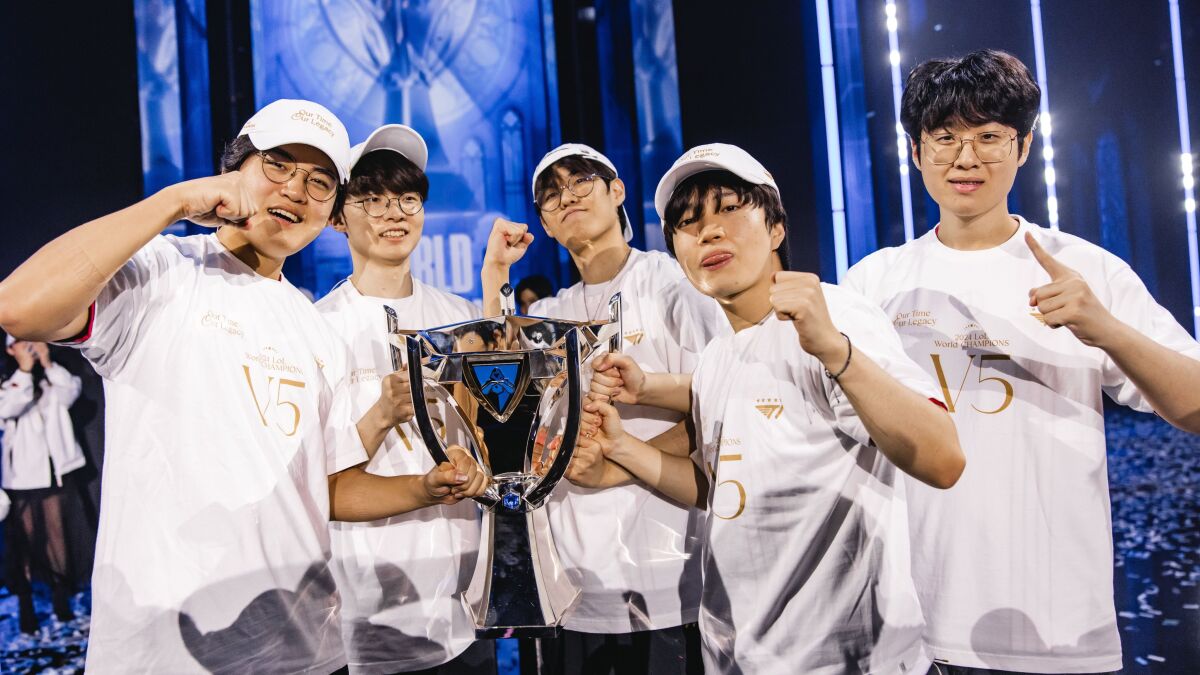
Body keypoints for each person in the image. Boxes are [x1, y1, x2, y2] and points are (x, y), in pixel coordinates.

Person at [0, 99, 485, 673]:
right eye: (278, 165)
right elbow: (19, 307)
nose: (296, 190)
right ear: (234, 170)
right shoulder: (164, 272)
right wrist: (173, 202)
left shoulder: (312, 327)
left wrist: (425, 488)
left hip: (309, 650)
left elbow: (328, 487)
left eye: (319, 181)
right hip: (169, 653)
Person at [841, 49, 1200, 674]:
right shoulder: (874, 282)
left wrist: (1106, 329)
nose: (966, 158)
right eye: (944, 138)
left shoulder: (1084, 269)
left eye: (989, 137)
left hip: (1057, 629)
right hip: (910, 627)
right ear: (916, 151)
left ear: (1024, 145)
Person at [587, 143, 965, 673]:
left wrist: (835, 350)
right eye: (688, 223)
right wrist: (623, 445)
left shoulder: (834, 316)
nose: (708, 231)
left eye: (729, 208)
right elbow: (721, 492)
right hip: (737, 656)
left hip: (842, 660)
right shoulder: (719, 356)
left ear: (776, 229)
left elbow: (942, 459)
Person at [480, 143, 727, 673]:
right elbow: (497, 390)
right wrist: (495, 270)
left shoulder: (673, 286)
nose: (567, 196)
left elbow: (719, 409)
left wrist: (614, 465)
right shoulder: (550, 312)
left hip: (667, 572)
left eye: (580, 182)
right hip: (573, 581)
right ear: (545, 225)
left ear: (617, 191)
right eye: (551, 195)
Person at [316, 124, 496, 674]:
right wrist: (382, 414)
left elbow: (485, 436)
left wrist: (476, 463)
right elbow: (314, 479)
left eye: (407, 199)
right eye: (372, 200)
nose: (393, 214)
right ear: (338, 218)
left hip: (463, 601)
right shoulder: (315, 328)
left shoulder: (459, 317)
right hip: (368, 606)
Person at [1, 335, 86, 633]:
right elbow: (8, 408)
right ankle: (26, 605)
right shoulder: (9, 384)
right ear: (9, 349)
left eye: (32, 342)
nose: (29, 348)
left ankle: (61, 598)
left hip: (55, 473)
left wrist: (48, 362)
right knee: (25, 543)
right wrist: (24, 370)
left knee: (57, 535)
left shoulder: (51, 379)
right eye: (21, 343)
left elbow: (71, 392)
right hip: (22, 477)